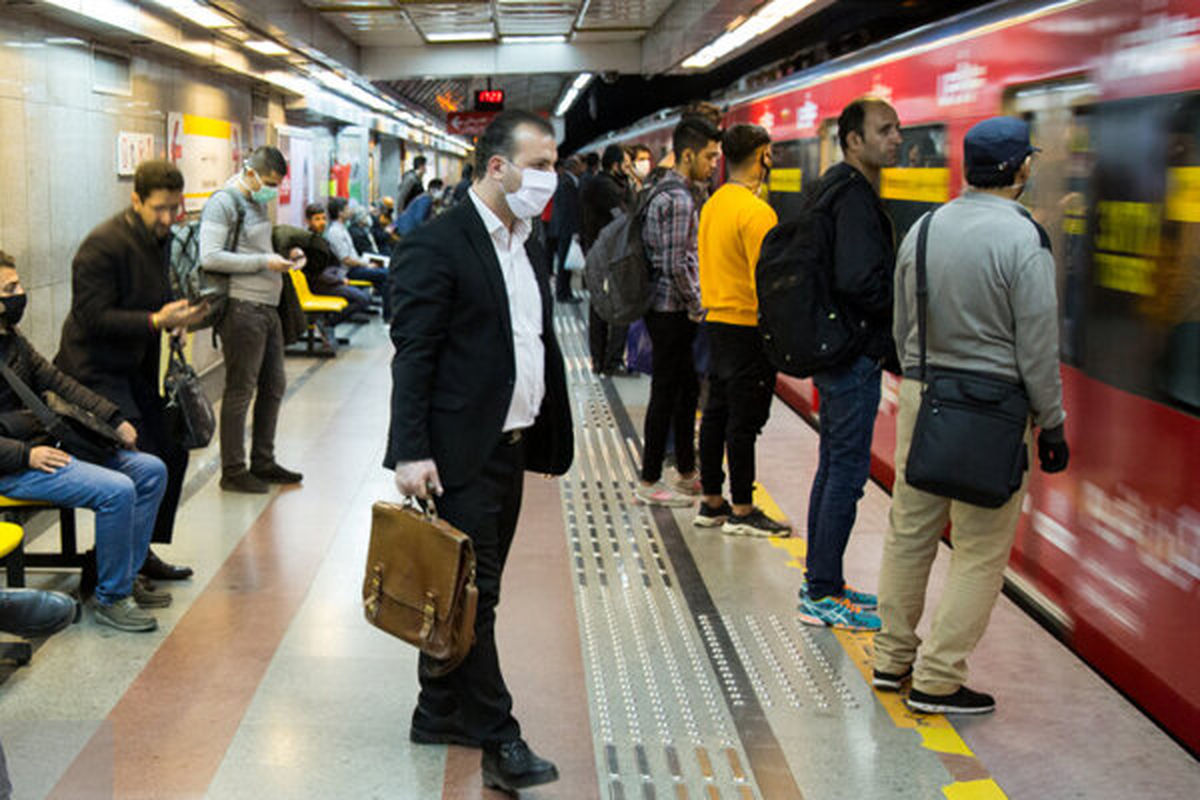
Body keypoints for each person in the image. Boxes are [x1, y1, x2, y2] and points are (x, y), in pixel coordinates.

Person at [386, 109, 572, 793]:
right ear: (498, 167)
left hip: (511, 450)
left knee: (463, 590)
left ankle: (438, 710)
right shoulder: (439, 245)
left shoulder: (530, 244)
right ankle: (500, 736)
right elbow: (415, 357)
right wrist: (411, 453)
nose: (552, 178)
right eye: (542, 163)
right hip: (458, 453)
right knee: (476, 598)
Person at [874, 117, 1069, 715]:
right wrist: (1052, 422)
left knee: (910, 532)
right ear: (1020, 170)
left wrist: (926, 378)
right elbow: (1037, 346)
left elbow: (903, 326)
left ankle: (891, 658)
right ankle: (938, 678)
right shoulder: (1024, 240)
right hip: (993, 412)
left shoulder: (925, 230)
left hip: (924, 398)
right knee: (981, 549)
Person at [0, 252, 169, 632]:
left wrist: (113, 418)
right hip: (13, 464)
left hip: (45, 445)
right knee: (117, 490)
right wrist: (26, 455)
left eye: (18, 284)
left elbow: (58, 381)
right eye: (10, 289)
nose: (21, 294)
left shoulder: (12, 340)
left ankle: (124, 575)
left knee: (150, 470)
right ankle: (112, 598)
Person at [55, 160, 205, 582]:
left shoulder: (157, 239)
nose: (168, 218)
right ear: (135, 199)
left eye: (174, 208)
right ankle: (111, 564)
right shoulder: (102, 246)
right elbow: (92, 318)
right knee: (140, 459)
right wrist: (155, 321)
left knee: (172, 450)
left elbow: (156, 297)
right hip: (92, 374)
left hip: (134, 369)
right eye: (159, 208)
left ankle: (140, 552)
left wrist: (173, 321)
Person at [797, 97, 902, 631]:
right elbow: (859, 279)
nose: (896, 139)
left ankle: (823, 582)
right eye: (885, 130)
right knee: (846, 474)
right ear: (854, 140)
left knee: (833, 468)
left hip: (834, 352)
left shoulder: (832, 187)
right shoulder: (855, 197)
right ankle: (820, 592)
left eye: (898, 129)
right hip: (854, 355)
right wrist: (898, 307)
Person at [695, 125, 790, 537]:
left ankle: (712, 501)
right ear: (764, 155)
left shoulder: (714, 204)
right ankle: (744, 509)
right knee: (744, 420)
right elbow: (767, 282)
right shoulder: (757, 212)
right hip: (748, 326)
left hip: (716, 321)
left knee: (716, 411)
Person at [200, 146, 305, 494]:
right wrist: (264, 263)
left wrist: (287, 254)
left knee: (274, 385)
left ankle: (264, 460)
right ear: (251, 172)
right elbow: (210, 256)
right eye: (269, 182)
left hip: (267, 306)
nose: (272, 190)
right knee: (241, 389)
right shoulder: (223, 202)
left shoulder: (256, 201)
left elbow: (256, 244)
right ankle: (233, 469)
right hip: (242, 309)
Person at [634, 117, 721, 507]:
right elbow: (676, 263)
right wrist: (697, 304)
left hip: (665, 308)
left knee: (685, 390)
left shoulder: (660, 188)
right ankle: (650, 478)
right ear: (688, 154)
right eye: (708, 156)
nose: (713, 163)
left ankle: (686, 470)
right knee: (667, 393)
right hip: (671, 311)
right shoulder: (681, 199)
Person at [580, 144, 635, 374]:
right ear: (615, 165)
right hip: (609, 256)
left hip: (603, 253)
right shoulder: (605, 187)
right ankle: (610, 361)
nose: (631, 168)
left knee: (601, 308)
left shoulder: (604, 183)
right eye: (628, 164)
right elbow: (624, 217)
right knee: (617, 307)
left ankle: (602, 360)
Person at [325, 197, 390, 319]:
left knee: (384, 276)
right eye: (347, 209)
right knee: (386, 274)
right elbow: (346, 259)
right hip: (348, 271)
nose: (350, 211)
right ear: (340, 213)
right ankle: (388, 315)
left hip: (355, 266)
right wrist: (367, 265)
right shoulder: (335, 232)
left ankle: (387, 311)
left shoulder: (342, 229)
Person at [548, 155, 584, 303]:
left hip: (564, 228)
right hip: (566, 229)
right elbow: (569, 210)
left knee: (566, 264)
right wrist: (575, 230)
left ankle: (565, 293)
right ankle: (563, 294)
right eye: (579, 166)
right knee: (564, 264)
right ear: (573, 167)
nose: (581, 168)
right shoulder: (567, 183)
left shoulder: (565, 181)